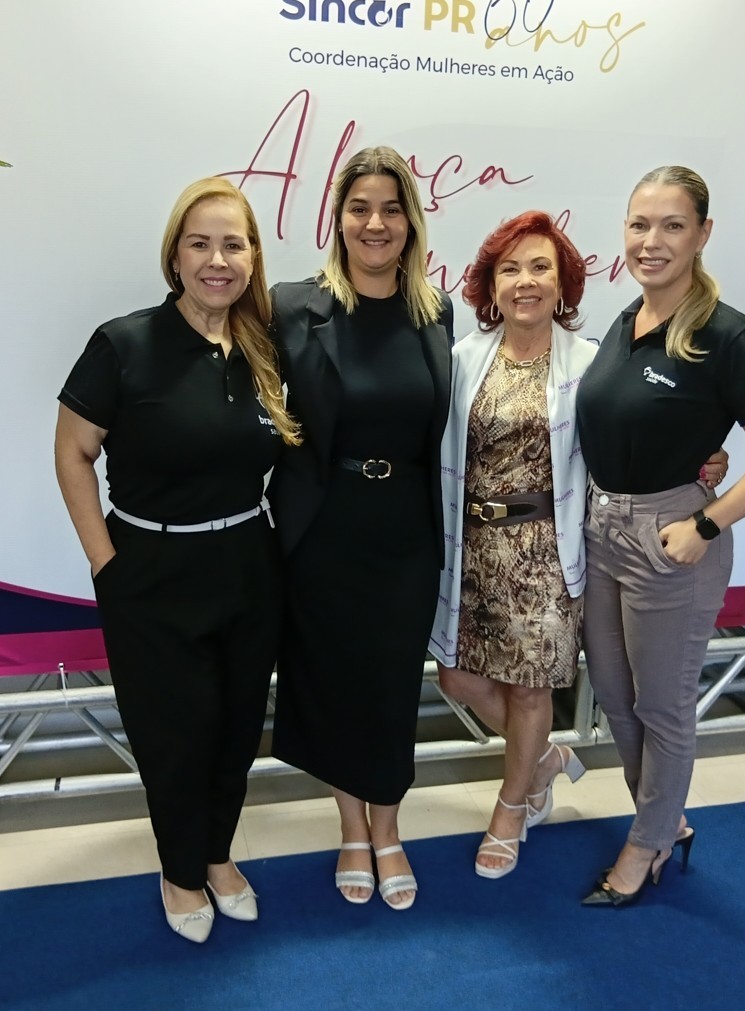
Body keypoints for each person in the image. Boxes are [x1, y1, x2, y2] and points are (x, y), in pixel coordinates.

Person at [431, 211, 726, 879]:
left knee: (529, 692)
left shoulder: (592, 362)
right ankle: (543, 761)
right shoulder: (461, 358)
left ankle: (513, 807)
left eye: (540, 267)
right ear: (489, 285)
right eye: (510, 269)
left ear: (562, 282)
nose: (525, 281)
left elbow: (640, 431)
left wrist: (703, 457)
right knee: (457, 676)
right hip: (471, 547)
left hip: (546, 549)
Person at [54, 178, 301, 943]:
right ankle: (180, 870)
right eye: (200, 244)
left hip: (248, 563)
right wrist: (106, 564)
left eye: (232, 244)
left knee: (235, 727)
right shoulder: (123, 343)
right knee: (175, 735)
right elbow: (72, 452)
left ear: (252, 257)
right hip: (151, 571)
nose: (216, 260)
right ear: (175, 255)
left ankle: (217, 854)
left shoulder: (262, 348)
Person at [574, 166, 745, 907]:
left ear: (703, 234)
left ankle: (645, 843)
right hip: (602, 529)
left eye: (672, 226)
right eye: (639, 224)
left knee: (662, 705)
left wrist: (707, 522)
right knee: (614, 696)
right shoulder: (626, 320)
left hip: (669, 539)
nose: (651, 241)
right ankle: (664, 818)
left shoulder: (727, 334)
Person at [268, 146, 453, 911]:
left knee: (390, 684)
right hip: (323, 526)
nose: (374, 223)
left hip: (406, 528)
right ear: (337, 218)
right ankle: (353, 827)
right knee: (334, 681)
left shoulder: (438, 313)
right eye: (358, 208)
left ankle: (389, 824)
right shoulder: (290, 305)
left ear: (410, 221)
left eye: (389, 209)